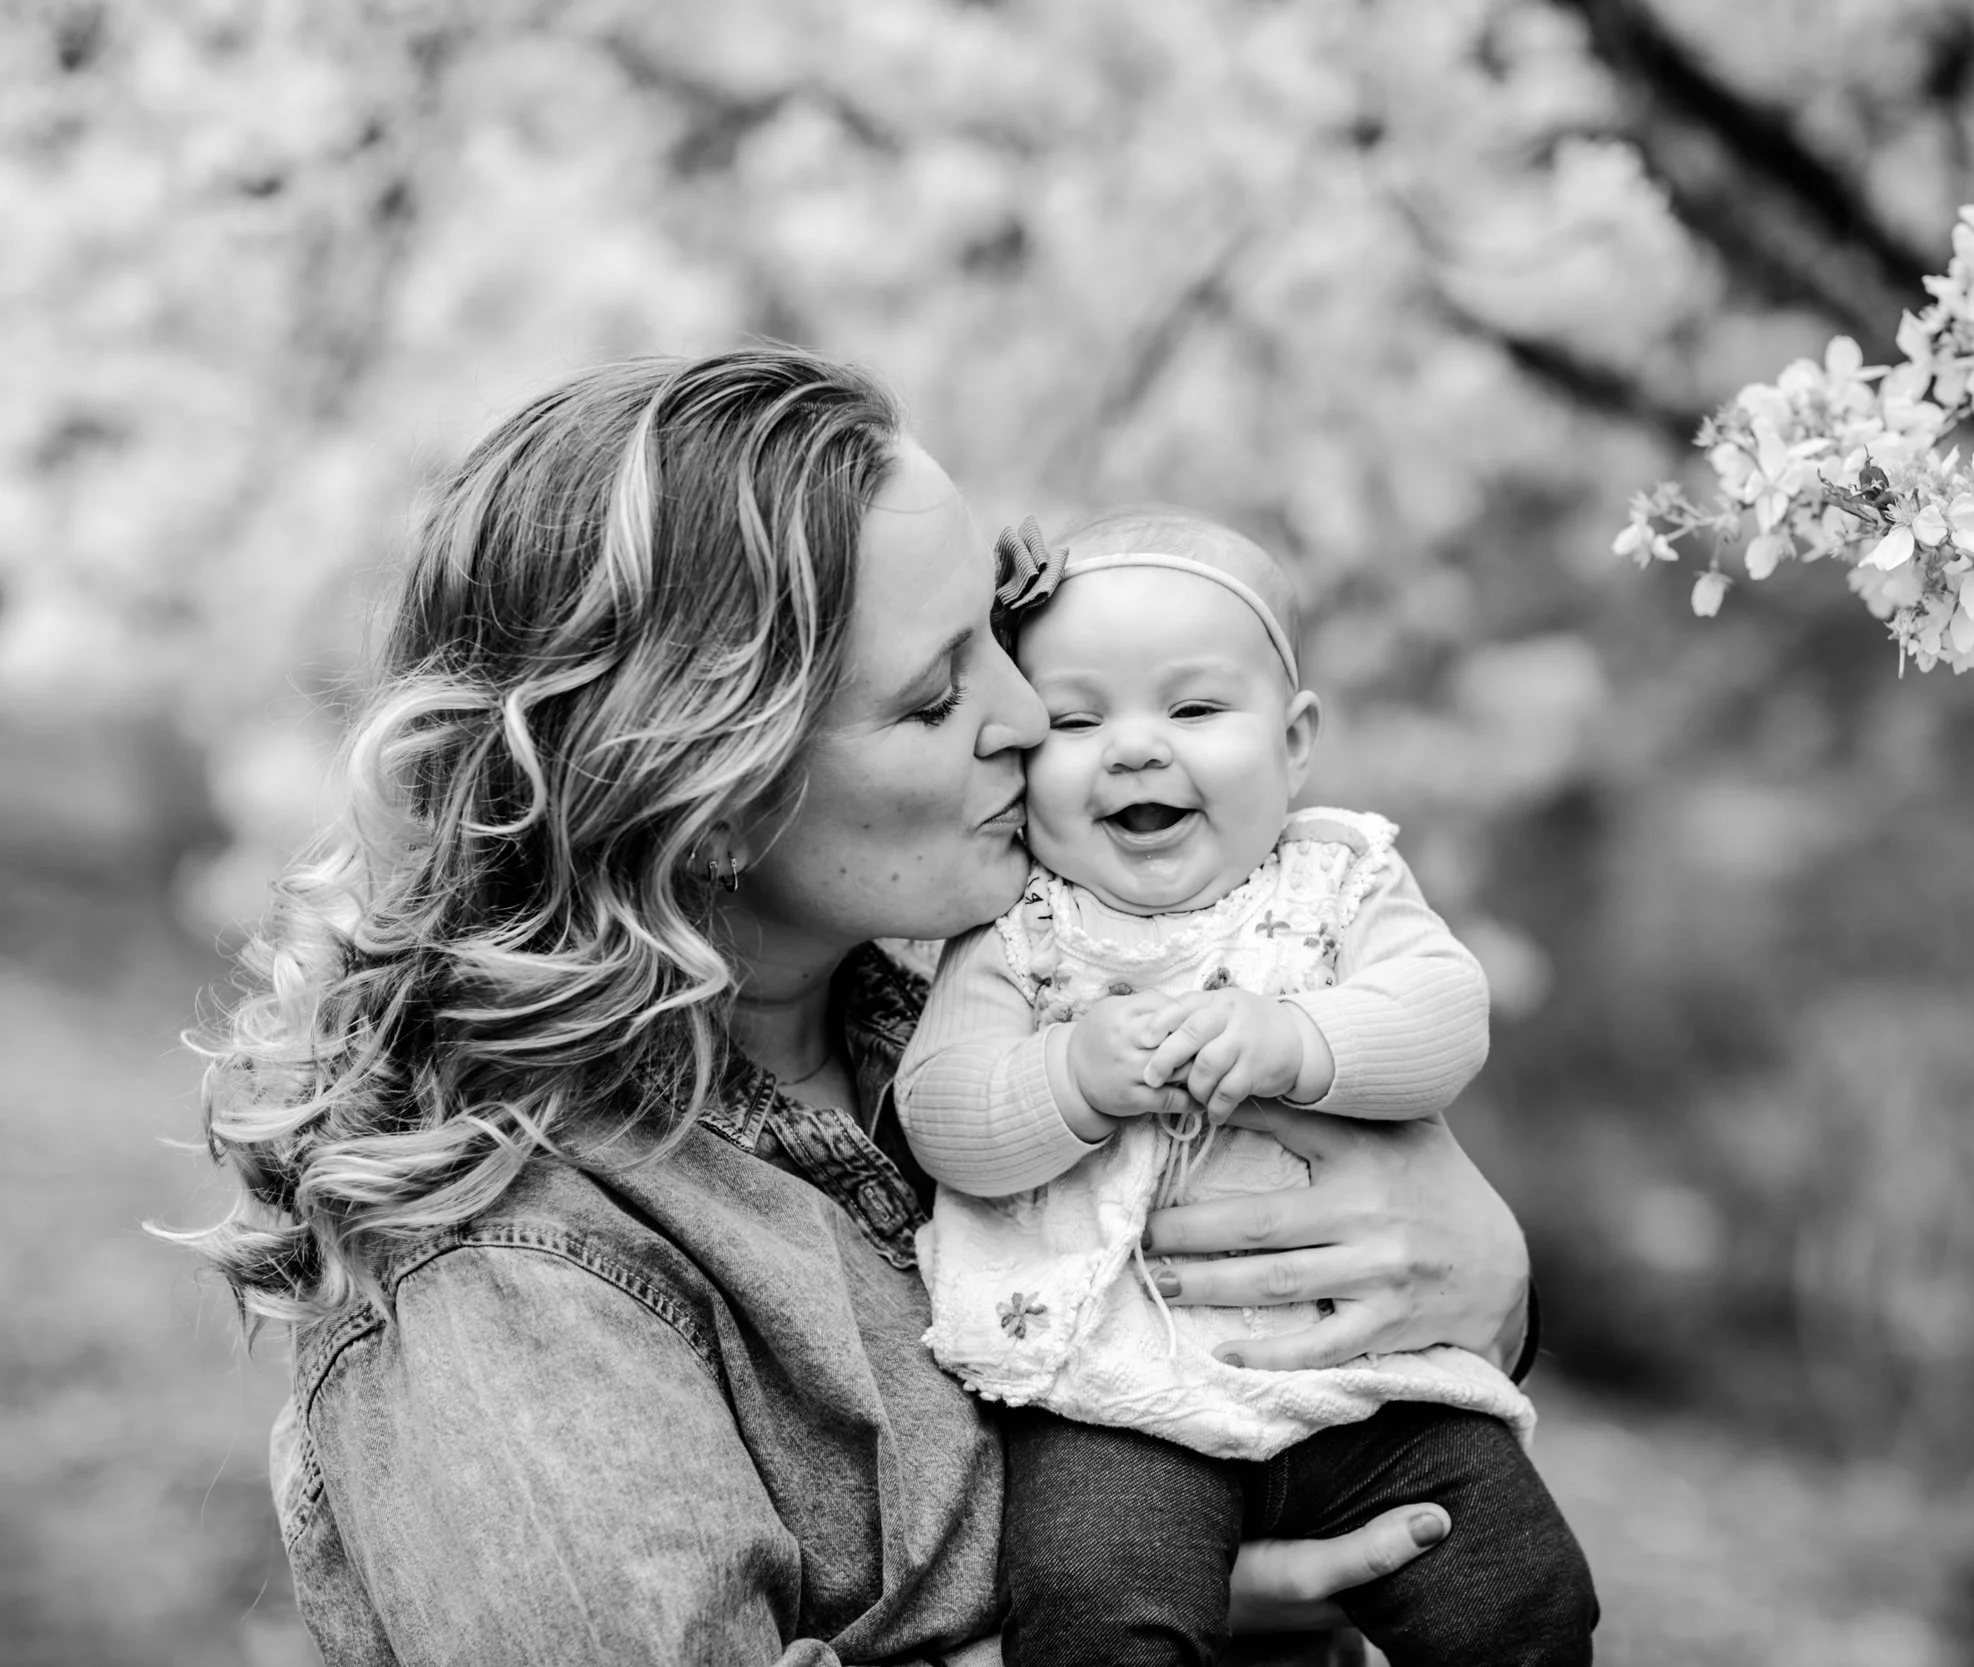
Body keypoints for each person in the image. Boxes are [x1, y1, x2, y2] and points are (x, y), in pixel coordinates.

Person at [164, 348, 1545, 1667]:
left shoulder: (951, 1021)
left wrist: (1483, 1279)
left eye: (1001, 634)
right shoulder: (513, 1282)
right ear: (705, 797)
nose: (1027, 717)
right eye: (938, 693)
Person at [895, 509, 1596, 1665]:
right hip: (1114, 1398)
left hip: (1368, 1387)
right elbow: (943, 1112)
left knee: (1521, 1591)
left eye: (1193, 708)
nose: (1132, 747)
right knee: (1092, 1609)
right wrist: (1065, 1075)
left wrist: (1297, 1038)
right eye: (1074, 718)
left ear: (1295, 739)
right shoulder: (1016, 931)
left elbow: (1442, 1016)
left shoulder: (1336, 882)